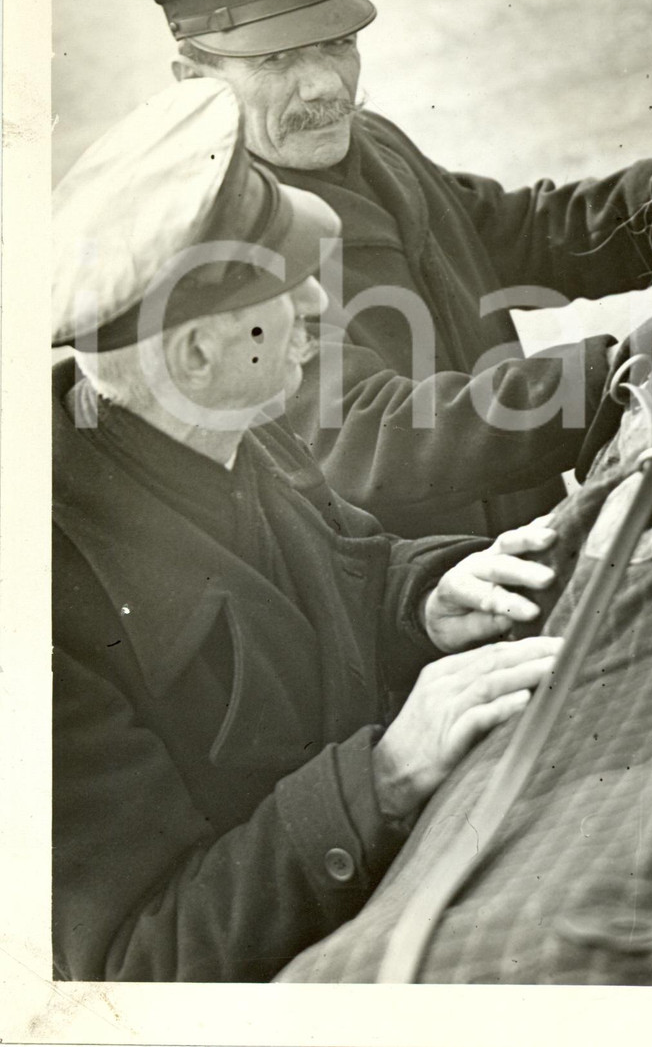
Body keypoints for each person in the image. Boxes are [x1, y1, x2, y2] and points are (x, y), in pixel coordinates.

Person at [52, 78, 564, 982]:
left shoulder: (220, 421)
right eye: (286, 290)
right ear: (195, 354)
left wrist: (426, 599)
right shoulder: (41, 615)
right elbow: (134, 968)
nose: (323, 310)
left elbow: (350, 569)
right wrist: (385, 779)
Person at [114, 0, 652, 537]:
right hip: (415, 607)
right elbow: (365, 435)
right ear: (192, 80)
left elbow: (523, 235)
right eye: (275, 61)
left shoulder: (372, 143)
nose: (325, 87)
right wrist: (622, 374)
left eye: (337, 43)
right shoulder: (213, 247)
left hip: (524, 550)